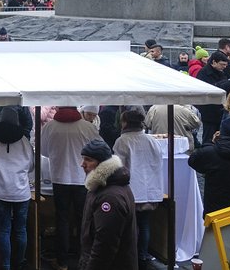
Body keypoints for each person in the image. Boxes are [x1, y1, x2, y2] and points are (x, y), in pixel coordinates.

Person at [40, 106, 98, 270]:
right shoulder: (87, 127)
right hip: (82, 178)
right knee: (82, 218)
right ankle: (82, 257)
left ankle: (62, 261)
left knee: (62, 219)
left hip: (59, 177)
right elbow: (100, 148)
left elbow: (44, 151)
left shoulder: (50, 126)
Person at [0, 107, 34, 270]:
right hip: (21, 192)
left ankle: (5, 266)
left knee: (4, 230)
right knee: (20, 229)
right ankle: (19, 263)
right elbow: (31, 166)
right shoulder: (24, 140)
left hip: (1, 190)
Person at [113, 110, 164, 270]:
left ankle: (131, 257)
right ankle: (142, 255)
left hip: (131, 189)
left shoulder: (123, 141)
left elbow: (118, 167)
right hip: (150, 189)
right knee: (144, 224)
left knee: (130, 227)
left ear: (125, 123)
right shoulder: (151, 140)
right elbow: (159, 160)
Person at [79, 139, 138, 270]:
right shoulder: (102, 187)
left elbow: (105, 245)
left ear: (102, 165)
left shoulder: (110, 197)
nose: (82, 164)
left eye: (88, 160)